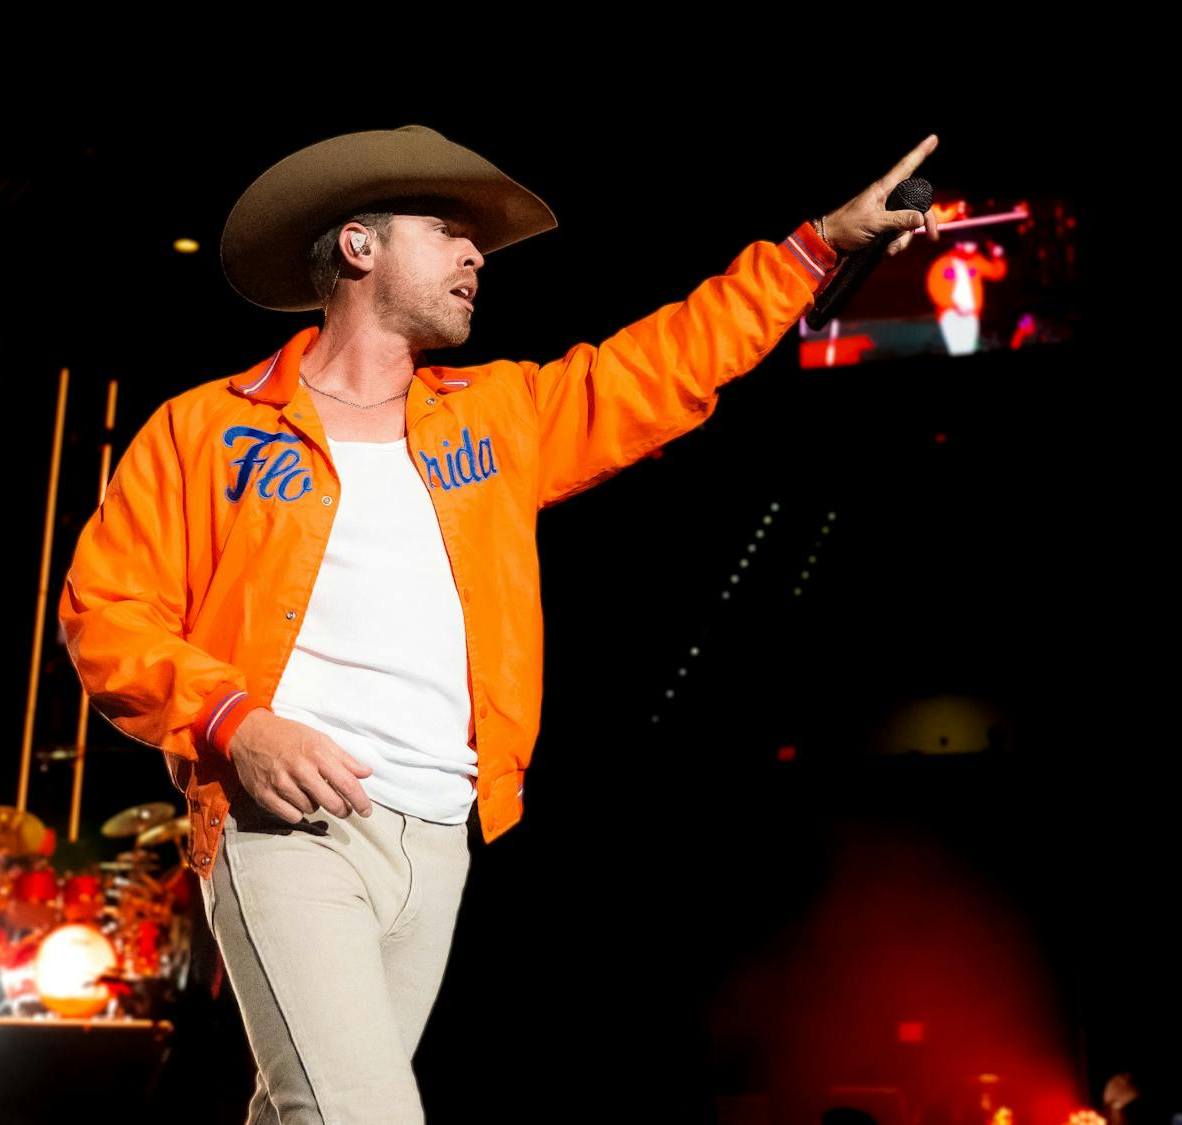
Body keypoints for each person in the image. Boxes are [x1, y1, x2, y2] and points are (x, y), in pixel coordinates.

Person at [57, 124, 941, 1123]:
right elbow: (105, 612)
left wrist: (819, 244)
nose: (479, 255)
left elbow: (668, 362)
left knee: (303, 1111)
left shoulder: (498, 416)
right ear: (360, 246)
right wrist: (236, 725)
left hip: (440, 830)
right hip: (286, 826)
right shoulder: (204, 428)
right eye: (450, 231)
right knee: (360, 1116)